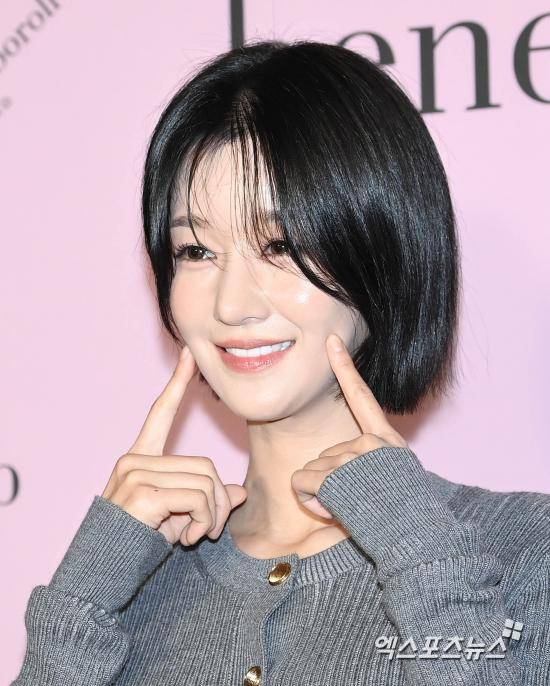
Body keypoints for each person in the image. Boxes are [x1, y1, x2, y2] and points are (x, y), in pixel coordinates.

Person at [12, 39, 550, 686]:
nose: (232, 304)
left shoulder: (523, 549)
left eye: (279, 246)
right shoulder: (130, 585)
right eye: (195, 252)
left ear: (382, 249)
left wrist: (416, 544)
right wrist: (84, 598)